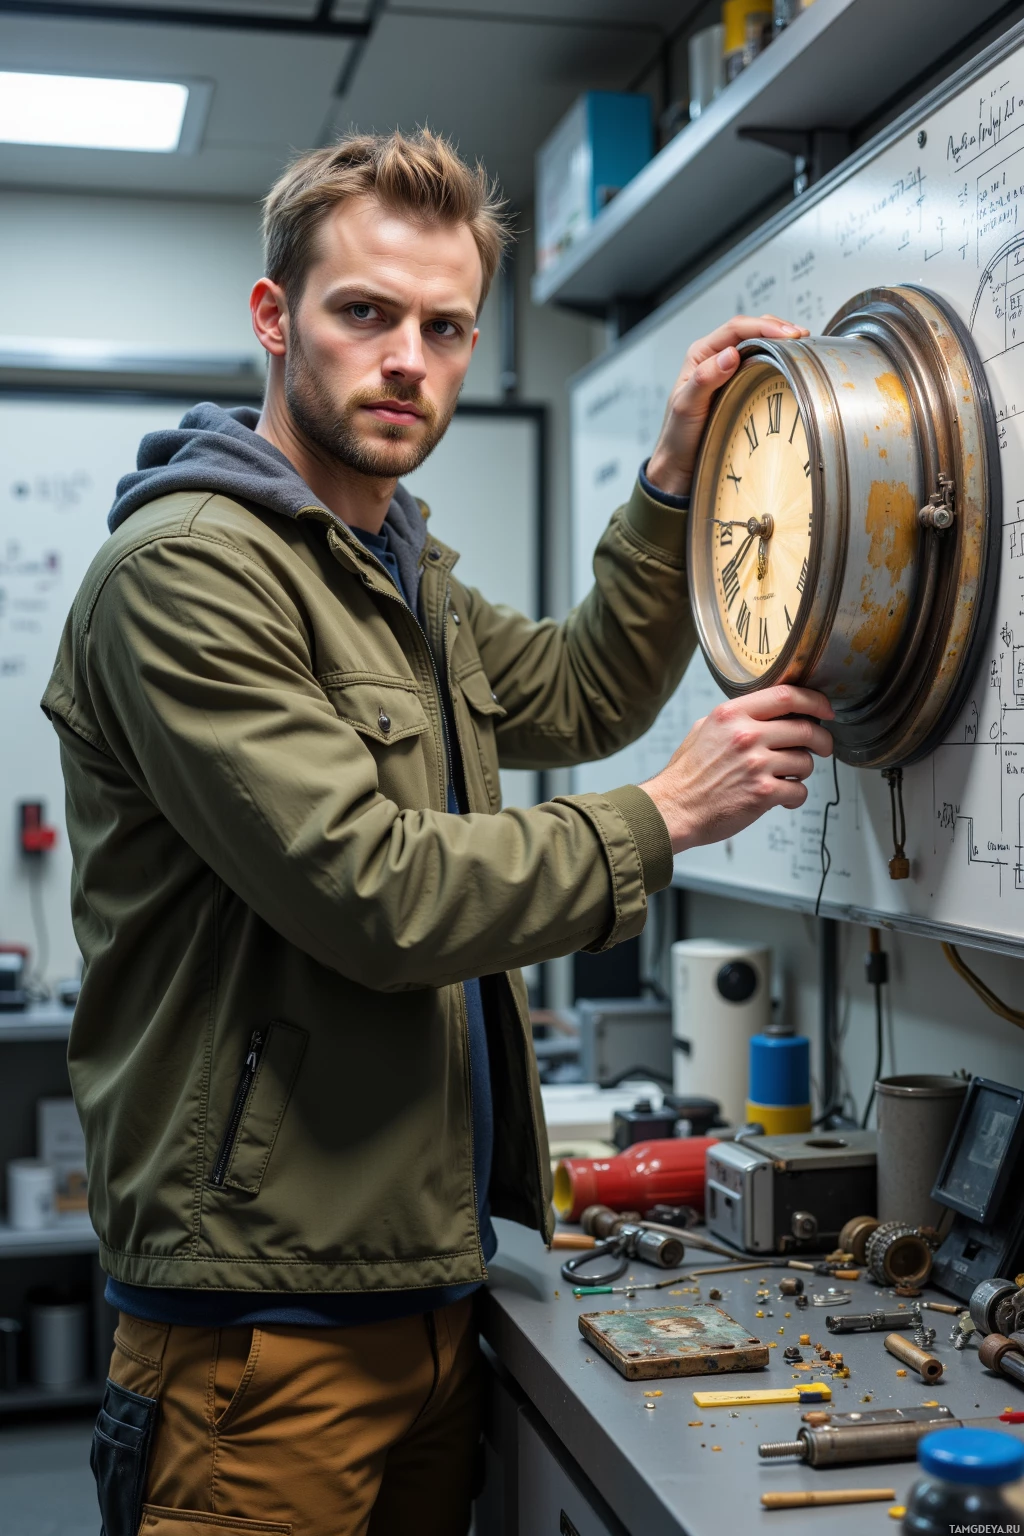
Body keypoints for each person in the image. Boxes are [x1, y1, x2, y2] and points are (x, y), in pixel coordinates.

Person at [43, 129, 833, 1536]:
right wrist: (665, 815)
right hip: (261, 1332)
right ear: (275, 320)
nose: (410, 357)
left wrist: (668, 485)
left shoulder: (399, 576)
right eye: (366, 313)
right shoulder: (182, 577)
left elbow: (584, 686)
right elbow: (376, 893)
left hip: (426, 1293)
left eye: (446, 326)